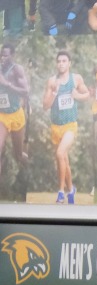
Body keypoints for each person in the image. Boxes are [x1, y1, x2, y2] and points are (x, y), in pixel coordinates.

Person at [42, 51, 90, 204]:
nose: (61, 63)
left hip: (70, 125)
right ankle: (71, 190)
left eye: (64, 61)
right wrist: (55, 93)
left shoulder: (76, 79)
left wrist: (78, 96)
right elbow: (45, 106)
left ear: (69, 63)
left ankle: (61, 192)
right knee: (63, 160)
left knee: (60, 153)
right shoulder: (51, 82)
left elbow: (87, 94)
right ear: (56, 64)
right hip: (56, 126)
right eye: (59, 61)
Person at [0, 43, 29, 182]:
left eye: (6, 55)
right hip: (2, 116)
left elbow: (26, 92)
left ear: (12, 55)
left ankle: (28, 167)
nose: (3, 58)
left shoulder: (17, 70)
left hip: (16, 114)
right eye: (1, 55)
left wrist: (6, 84)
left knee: (18, 155)